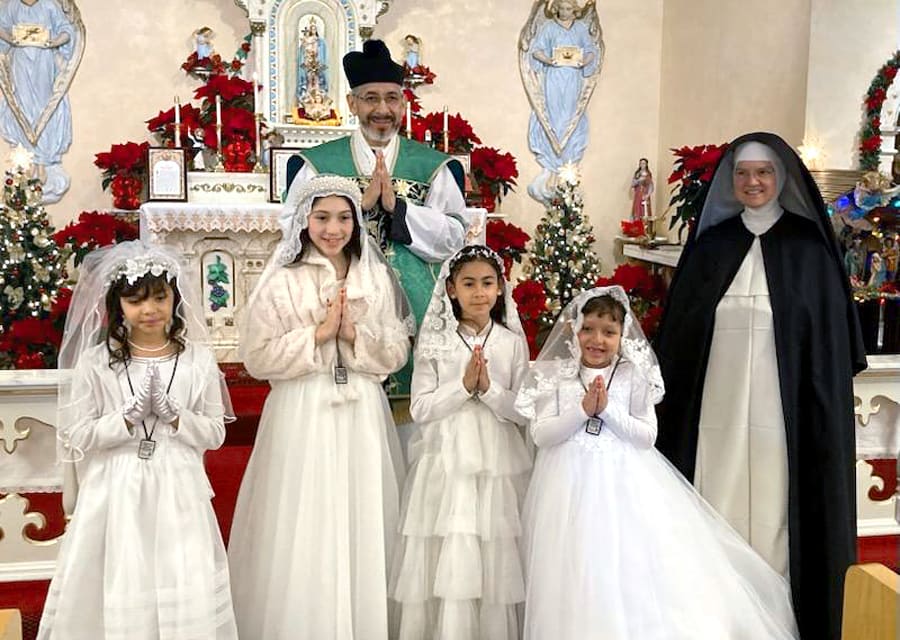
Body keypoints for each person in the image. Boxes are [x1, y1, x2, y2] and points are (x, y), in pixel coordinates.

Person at [654, 132, 867, 640]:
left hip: (784, 414)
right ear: (731, 181)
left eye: (764, 173)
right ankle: (715, 611)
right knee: (716, 497)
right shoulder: (711, 246)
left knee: (776, 506)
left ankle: (778, 612)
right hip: (716, 413)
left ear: (782, 178)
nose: (753, 182)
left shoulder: (808, 248)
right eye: (743, 173)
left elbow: (828, 343)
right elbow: (680, 341)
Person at [516, 286, 799, 640]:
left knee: (626, 561)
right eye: (588, 329)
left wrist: (607, 410)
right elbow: (542, 435)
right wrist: (582, 411)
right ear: (574, 329)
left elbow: (646, 436)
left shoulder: (633, 375)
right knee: (574, 564)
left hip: (624, 483)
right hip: (567, 483)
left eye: (608, 332)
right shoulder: (556, 375)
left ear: (622, 335)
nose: (597, 340)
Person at [228, 175, 413, 639]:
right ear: (304, 221)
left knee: (361, 515)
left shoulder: (373, 275)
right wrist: (317, 335)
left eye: (344, 218)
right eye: (323, 217)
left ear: (356, 222)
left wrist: (353, 335)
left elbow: (396, 351)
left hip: (361, 411)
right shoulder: (283, 278)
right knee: (306, 516)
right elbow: (257, 356)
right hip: (302, 409)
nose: (334, 229)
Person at [38, 240, 238, 640]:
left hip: (178, 483)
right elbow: (79, 434)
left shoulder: (197, 359)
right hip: (117, 486)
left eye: (160, 298)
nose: (150, 310)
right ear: (118, 305)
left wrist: (176, 416)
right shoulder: (98, 362)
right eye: (136, 301)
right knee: (125, 573)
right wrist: (124, 420)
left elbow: (216, 433)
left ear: (175, 299)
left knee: (178, 571)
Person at [390, 245, 531, 639]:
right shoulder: (437, 341)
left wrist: (488, 390)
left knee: (494, 543)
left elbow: (523, 411)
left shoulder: (511, 343)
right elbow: (420, 407)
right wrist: (463, 387)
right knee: (450, 540)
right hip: (446, 458)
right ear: (451, 289)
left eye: (487, 283)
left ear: (500, 288)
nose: (479, 293)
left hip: (497, 461)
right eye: (468, 284)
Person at [284, 39, 467, 330]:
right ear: (352, 104)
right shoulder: (315, 165)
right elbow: (292, 236)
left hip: (418, 308)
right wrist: (359, 207)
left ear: (403, 104)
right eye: (371, 98)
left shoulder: (432, 167)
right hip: (335, 305)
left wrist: (399, 210)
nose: (383, 108)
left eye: (392, 98)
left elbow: (454, 240)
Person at [0, 0, 78, 202]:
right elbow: (1, 27)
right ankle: (28, 160)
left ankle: (43, 160)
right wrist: (11, 39)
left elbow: (67, 30)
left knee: (43, 108)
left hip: (43, 60)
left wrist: (53, 42)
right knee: (23, 108)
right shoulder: (12, 6)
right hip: (20, 61)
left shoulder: (49, 5)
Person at [524, 0, 600, 202]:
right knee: (554, 112)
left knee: (570, 115)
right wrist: (549, 60)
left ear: (574, 10)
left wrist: (583, 61)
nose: (566, 12)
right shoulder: (549, 27)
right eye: (562, 8)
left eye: (569, 9)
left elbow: (591, 50)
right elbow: (536, 50)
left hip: (573, 78)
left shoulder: (580, 28)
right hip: (554, 77)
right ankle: (552, 157)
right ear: (556, 9)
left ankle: (566, 158)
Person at [296, 17, 328, 102]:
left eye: (314, 28)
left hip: (317, 63)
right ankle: (307, 97)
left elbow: (322, 53)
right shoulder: (307, 40)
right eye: (312, 28)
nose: (313, 30)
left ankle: (318, 96)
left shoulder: (320, 41)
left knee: (317, 80)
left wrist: (319, 61)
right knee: (309, 80)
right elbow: (303, 52)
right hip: (308, 63)